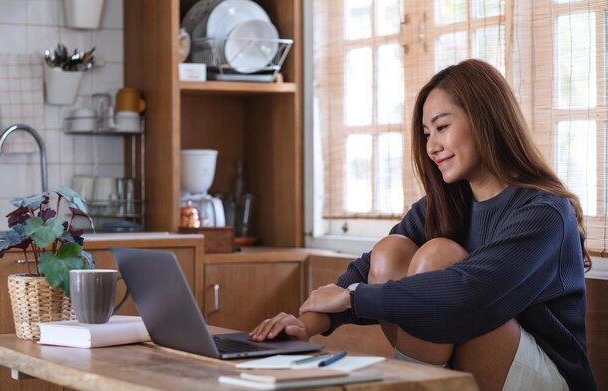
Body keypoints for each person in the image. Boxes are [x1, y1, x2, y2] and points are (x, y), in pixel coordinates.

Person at [249, 59, 596, 391]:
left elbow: (472, 293)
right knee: (390, 252)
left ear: (486, 120)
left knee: (438, 257)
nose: (431, 146)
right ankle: (415, 382)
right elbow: (367, 269)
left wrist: (352, 299)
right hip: (467, 362)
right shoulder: (445, 203)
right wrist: (306, 325)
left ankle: (410, 383)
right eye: (426, 133)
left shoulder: (545, 212)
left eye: (442, 127)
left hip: (548, 376)